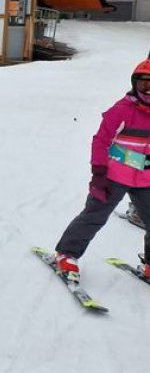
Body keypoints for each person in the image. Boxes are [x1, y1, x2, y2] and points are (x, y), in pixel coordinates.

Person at [54, 59, 150, 281]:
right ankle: (66, 254)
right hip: (114, 176)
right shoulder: (122, 110)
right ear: (135, 85)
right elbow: (101, 141)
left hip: (145, 179)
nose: (148, 91)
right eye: (144, 85)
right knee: (95, 215)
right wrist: (99, 173)